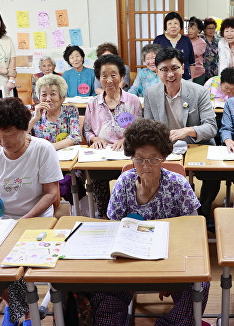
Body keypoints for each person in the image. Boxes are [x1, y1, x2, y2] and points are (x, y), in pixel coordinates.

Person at [90, 118, 209, 325]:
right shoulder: (124, 183)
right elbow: (113, 230)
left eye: (153, 159)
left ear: (163, 156)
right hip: (128, 261)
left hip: (170, 259)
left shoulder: (177, 185)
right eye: (139, 159)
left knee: (199, 285)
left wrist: (168, 274)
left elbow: (193, 234)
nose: (146, 166)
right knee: (102, 290)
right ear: (131, 157)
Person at [0, 97, 63, 326]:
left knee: (12, 258)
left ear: (23, 127)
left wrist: (24, 221)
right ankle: (18, 307)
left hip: (33, 220)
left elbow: (51, 194)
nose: (2, 140)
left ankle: (21, 310)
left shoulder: (42, 149)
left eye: (8, 133)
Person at [143, 47, 218, 217]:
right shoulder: (151, 93)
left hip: (197, 146)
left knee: (213, 176)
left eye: (175, 68)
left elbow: (211, 127)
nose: (170, 74)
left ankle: (203, 212)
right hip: (166, 149)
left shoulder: (199, 92)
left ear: (183, 68)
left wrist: (187, 131)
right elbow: (148, 127)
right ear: (157, 71)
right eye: (164, 69)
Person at [83, 54, 142, 217]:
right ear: (98, 78)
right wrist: (95, 139)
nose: (109, 80)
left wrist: (126, 140)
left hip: (127, 154)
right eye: (104, 76)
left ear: (122, 77)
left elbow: (139, 129)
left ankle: (128, 213)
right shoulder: (92, 103)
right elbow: (87, 130)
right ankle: (103, 213)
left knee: (130, 184)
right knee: (97, 178)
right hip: (101, 155)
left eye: (113, 75)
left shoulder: (133, 101)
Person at [28, 74, 81, 150]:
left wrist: (50, 148)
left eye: (53, 94)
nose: (48, 99)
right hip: (42, 158)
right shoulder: (33, 115)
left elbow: (75, 137)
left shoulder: (71, 111)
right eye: (44, 94)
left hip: (67, 156)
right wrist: (35, 119)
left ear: (62, 98)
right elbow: (22, 139)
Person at [153, 11, 195, 80]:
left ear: (180, 26)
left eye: (176, 23)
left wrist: (191, 78)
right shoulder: (158, 40)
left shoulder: (186, 40)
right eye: (170, 23)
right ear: (166, 26)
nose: (173, 26)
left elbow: (192, 63)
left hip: (184, 79)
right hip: (164, 79)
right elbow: (155, 62)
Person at [187, 16, 207, 85]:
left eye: (193, 28)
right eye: (188, 28)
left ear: (199, 30)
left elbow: (192, 54)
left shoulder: (202, 42)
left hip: (198, 74)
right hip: (186, 72)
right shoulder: (184, 39)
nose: (189, 30)